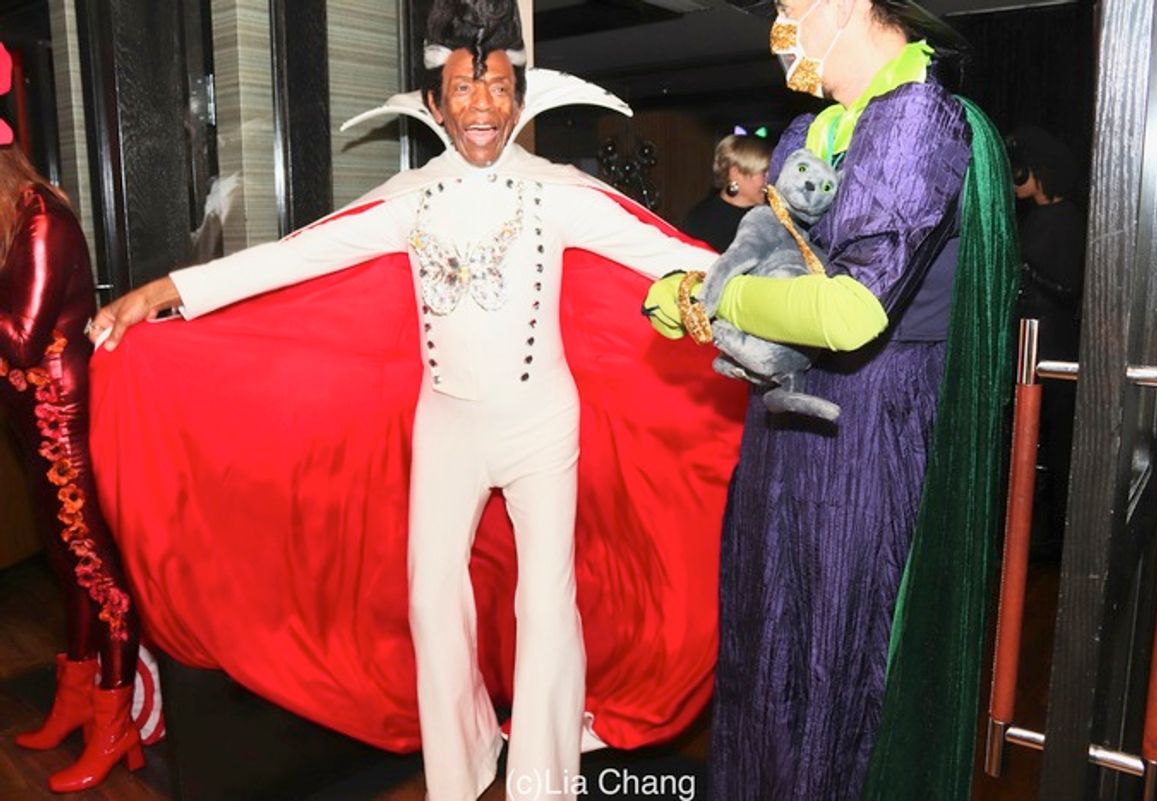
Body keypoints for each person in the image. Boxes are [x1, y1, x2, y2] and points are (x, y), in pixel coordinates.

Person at [86, 1, 741, 798]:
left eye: (498, 87)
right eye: (465, 88)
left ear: (520, 97)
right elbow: (293, 258)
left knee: (546, 607)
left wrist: (776, 279)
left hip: (543, 425)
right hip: (447, 426)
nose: (482, 106)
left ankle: (542, 779)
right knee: (433, 604)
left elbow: (668, 254)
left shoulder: (559, 193)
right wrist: (161, 292)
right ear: (436, 103)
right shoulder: (410, 199)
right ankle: (460, 767)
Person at [643, 1, 1018, 799]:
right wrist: (702, 305)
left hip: (871, 430)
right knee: (770, 646)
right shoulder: (811, 133)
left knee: (841, 663)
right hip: (789, 427)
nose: (781, 28)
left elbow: (851, 312)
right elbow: (781, 274)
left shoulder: (917, 119)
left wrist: (718, 299)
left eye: (788, 8)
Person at [0, 72, 144, 794]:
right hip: (34, 427)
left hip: (63, 426)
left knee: (101, 577)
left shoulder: (40, 222)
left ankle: (116, 725)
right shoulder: (10, 220)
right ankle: (76, 700)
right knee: (67, 571)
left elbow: (23, 342)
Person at [1007, 125, 1085, 556]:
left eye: (1024, 171)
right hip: (1029, 343)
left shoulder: (1066, 219)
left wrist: (1025, 275)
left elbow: (1068, 288)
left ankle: (1048, 537)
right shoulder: (1035, 218)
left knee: (1052, 443)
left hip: (1052, 347)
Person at [682, 133, 772, 251]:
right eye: (764, 172)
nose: (770, 179)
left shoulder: (773, 215)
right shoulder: (700, 221)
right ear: (735, 173)